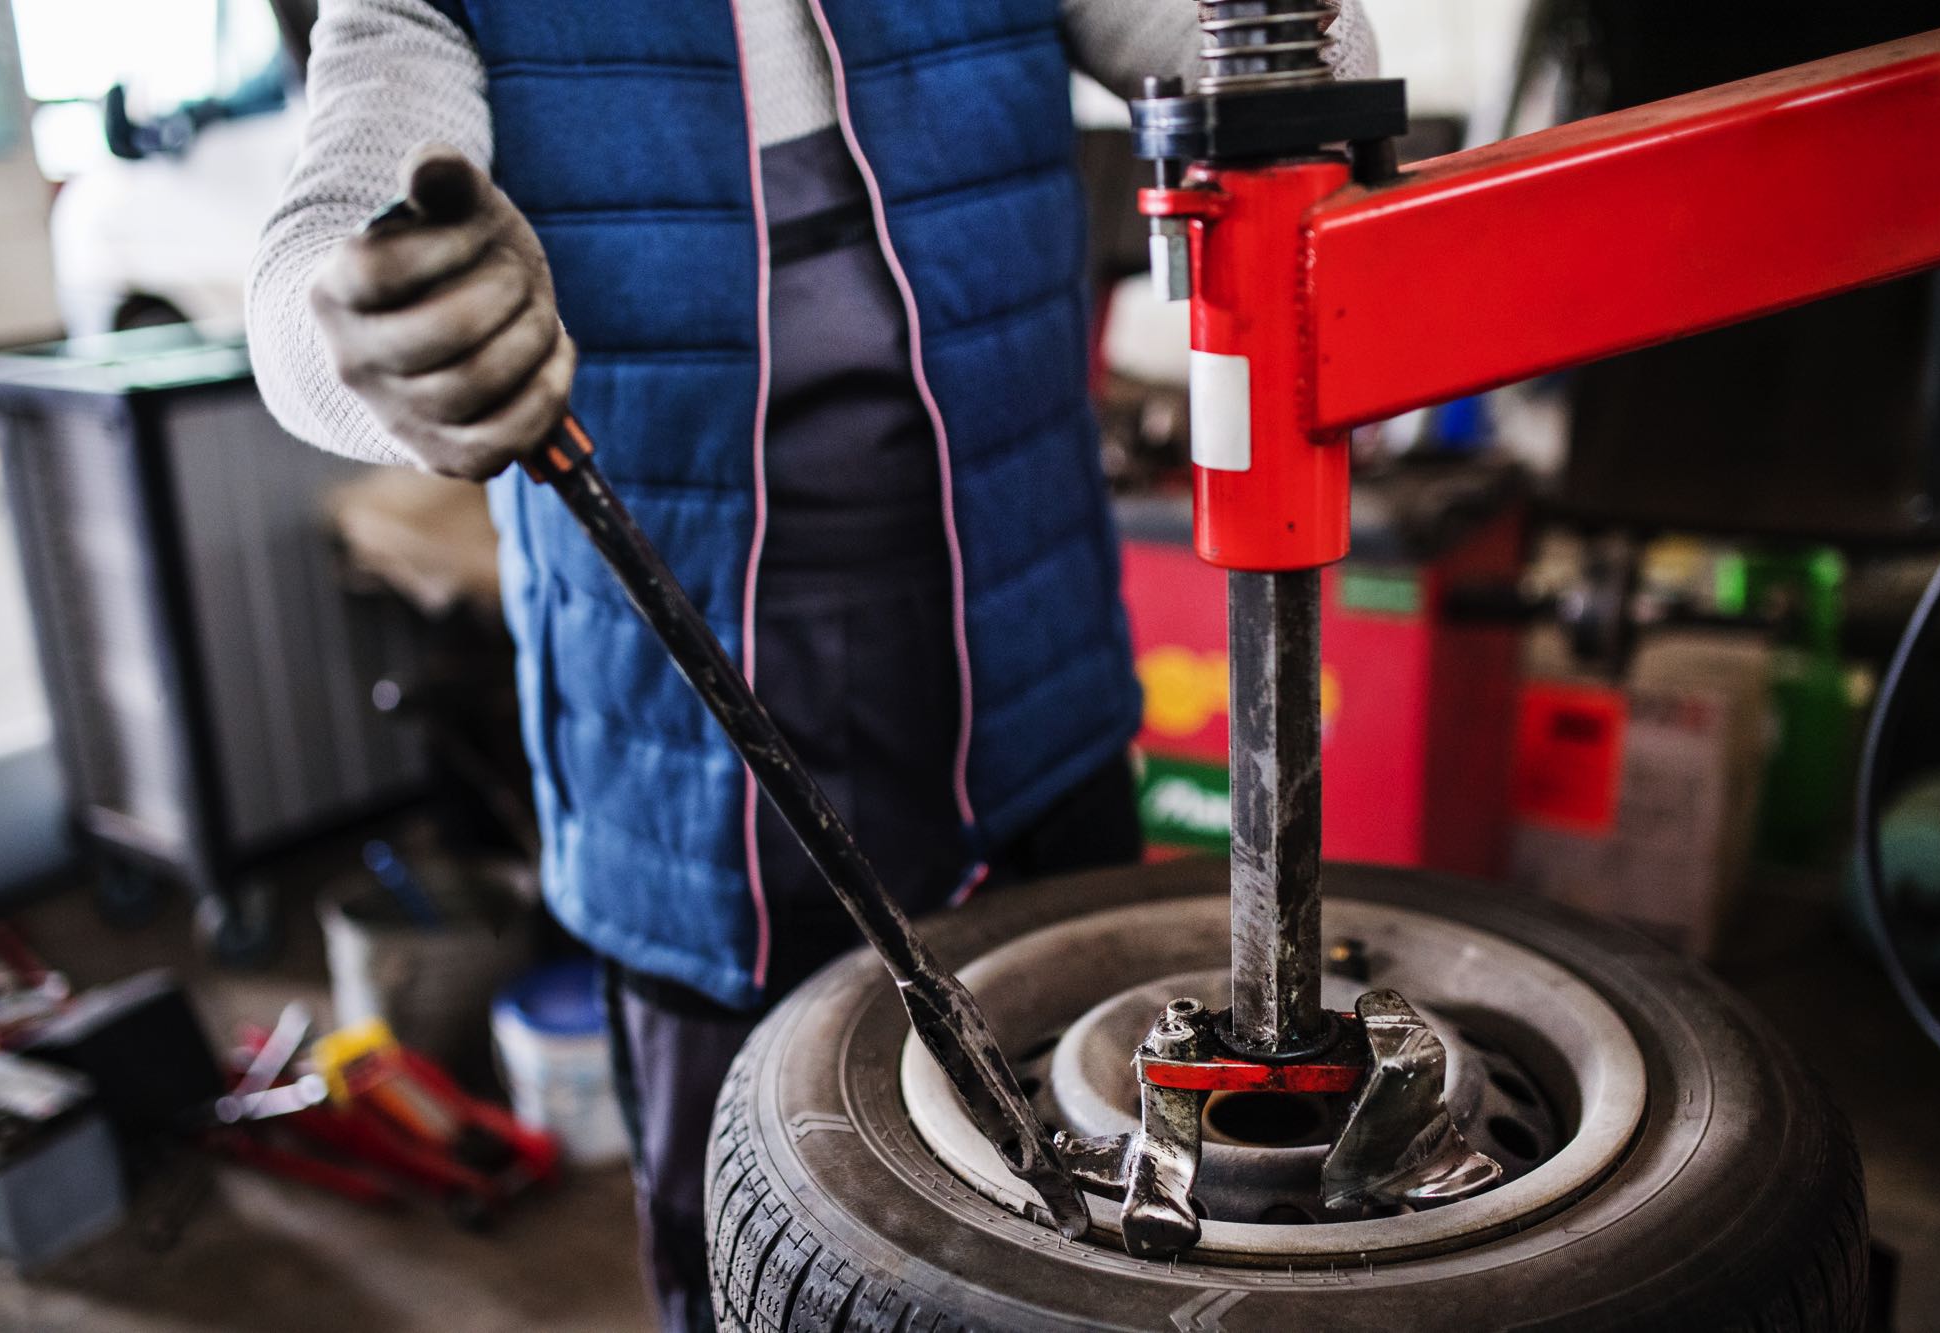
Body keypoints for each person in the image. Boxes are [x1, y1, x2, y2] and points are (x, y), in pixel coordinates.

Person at [247, 2, 1376, 1326]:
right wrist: (383, 330)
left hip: (1028, 709)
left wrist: (1304, 65)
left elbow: (1292, 58)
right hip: (687, 787)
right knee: (754, 1261)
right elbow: (322, 249)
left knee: (1100, 1247)